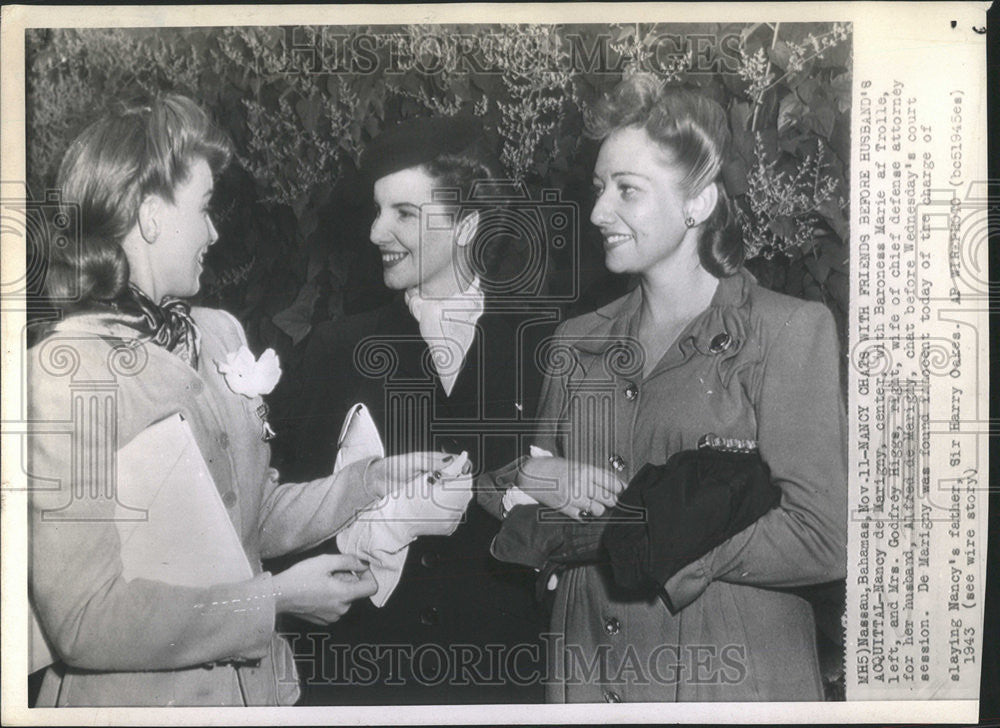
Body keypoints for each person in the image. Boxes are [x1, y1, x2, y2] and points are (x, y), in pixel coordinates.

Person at [27, 95, 455, 707]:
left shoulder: (219, 334)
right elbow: (86, 619)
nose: (214, 232)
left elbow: (246, 514)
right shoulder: (69, 372)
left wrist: (370, 481)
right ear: (150, 216)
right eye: (203, 210)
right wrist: (273, 600)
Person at [501, 76, 847, 702]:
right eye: (599, 189)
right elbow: (525, 511)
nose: (600, 211)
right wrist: (524, 481)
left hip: (731, 682)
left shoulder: (787, 331)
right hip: (588, 673)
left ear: (699, 203)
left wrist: (644, 542)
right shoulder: (575, 343)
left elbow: (822, 538)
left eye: (627, 190)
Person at [271, 115, 551, 704]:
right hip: (359, 688)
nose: (376, 232)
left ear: (467, 226)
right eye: (377, 211)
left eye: (403, 213)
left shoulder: (545, 352)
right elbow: (280, 521)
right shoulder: (333, 350)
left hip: (499, 690)